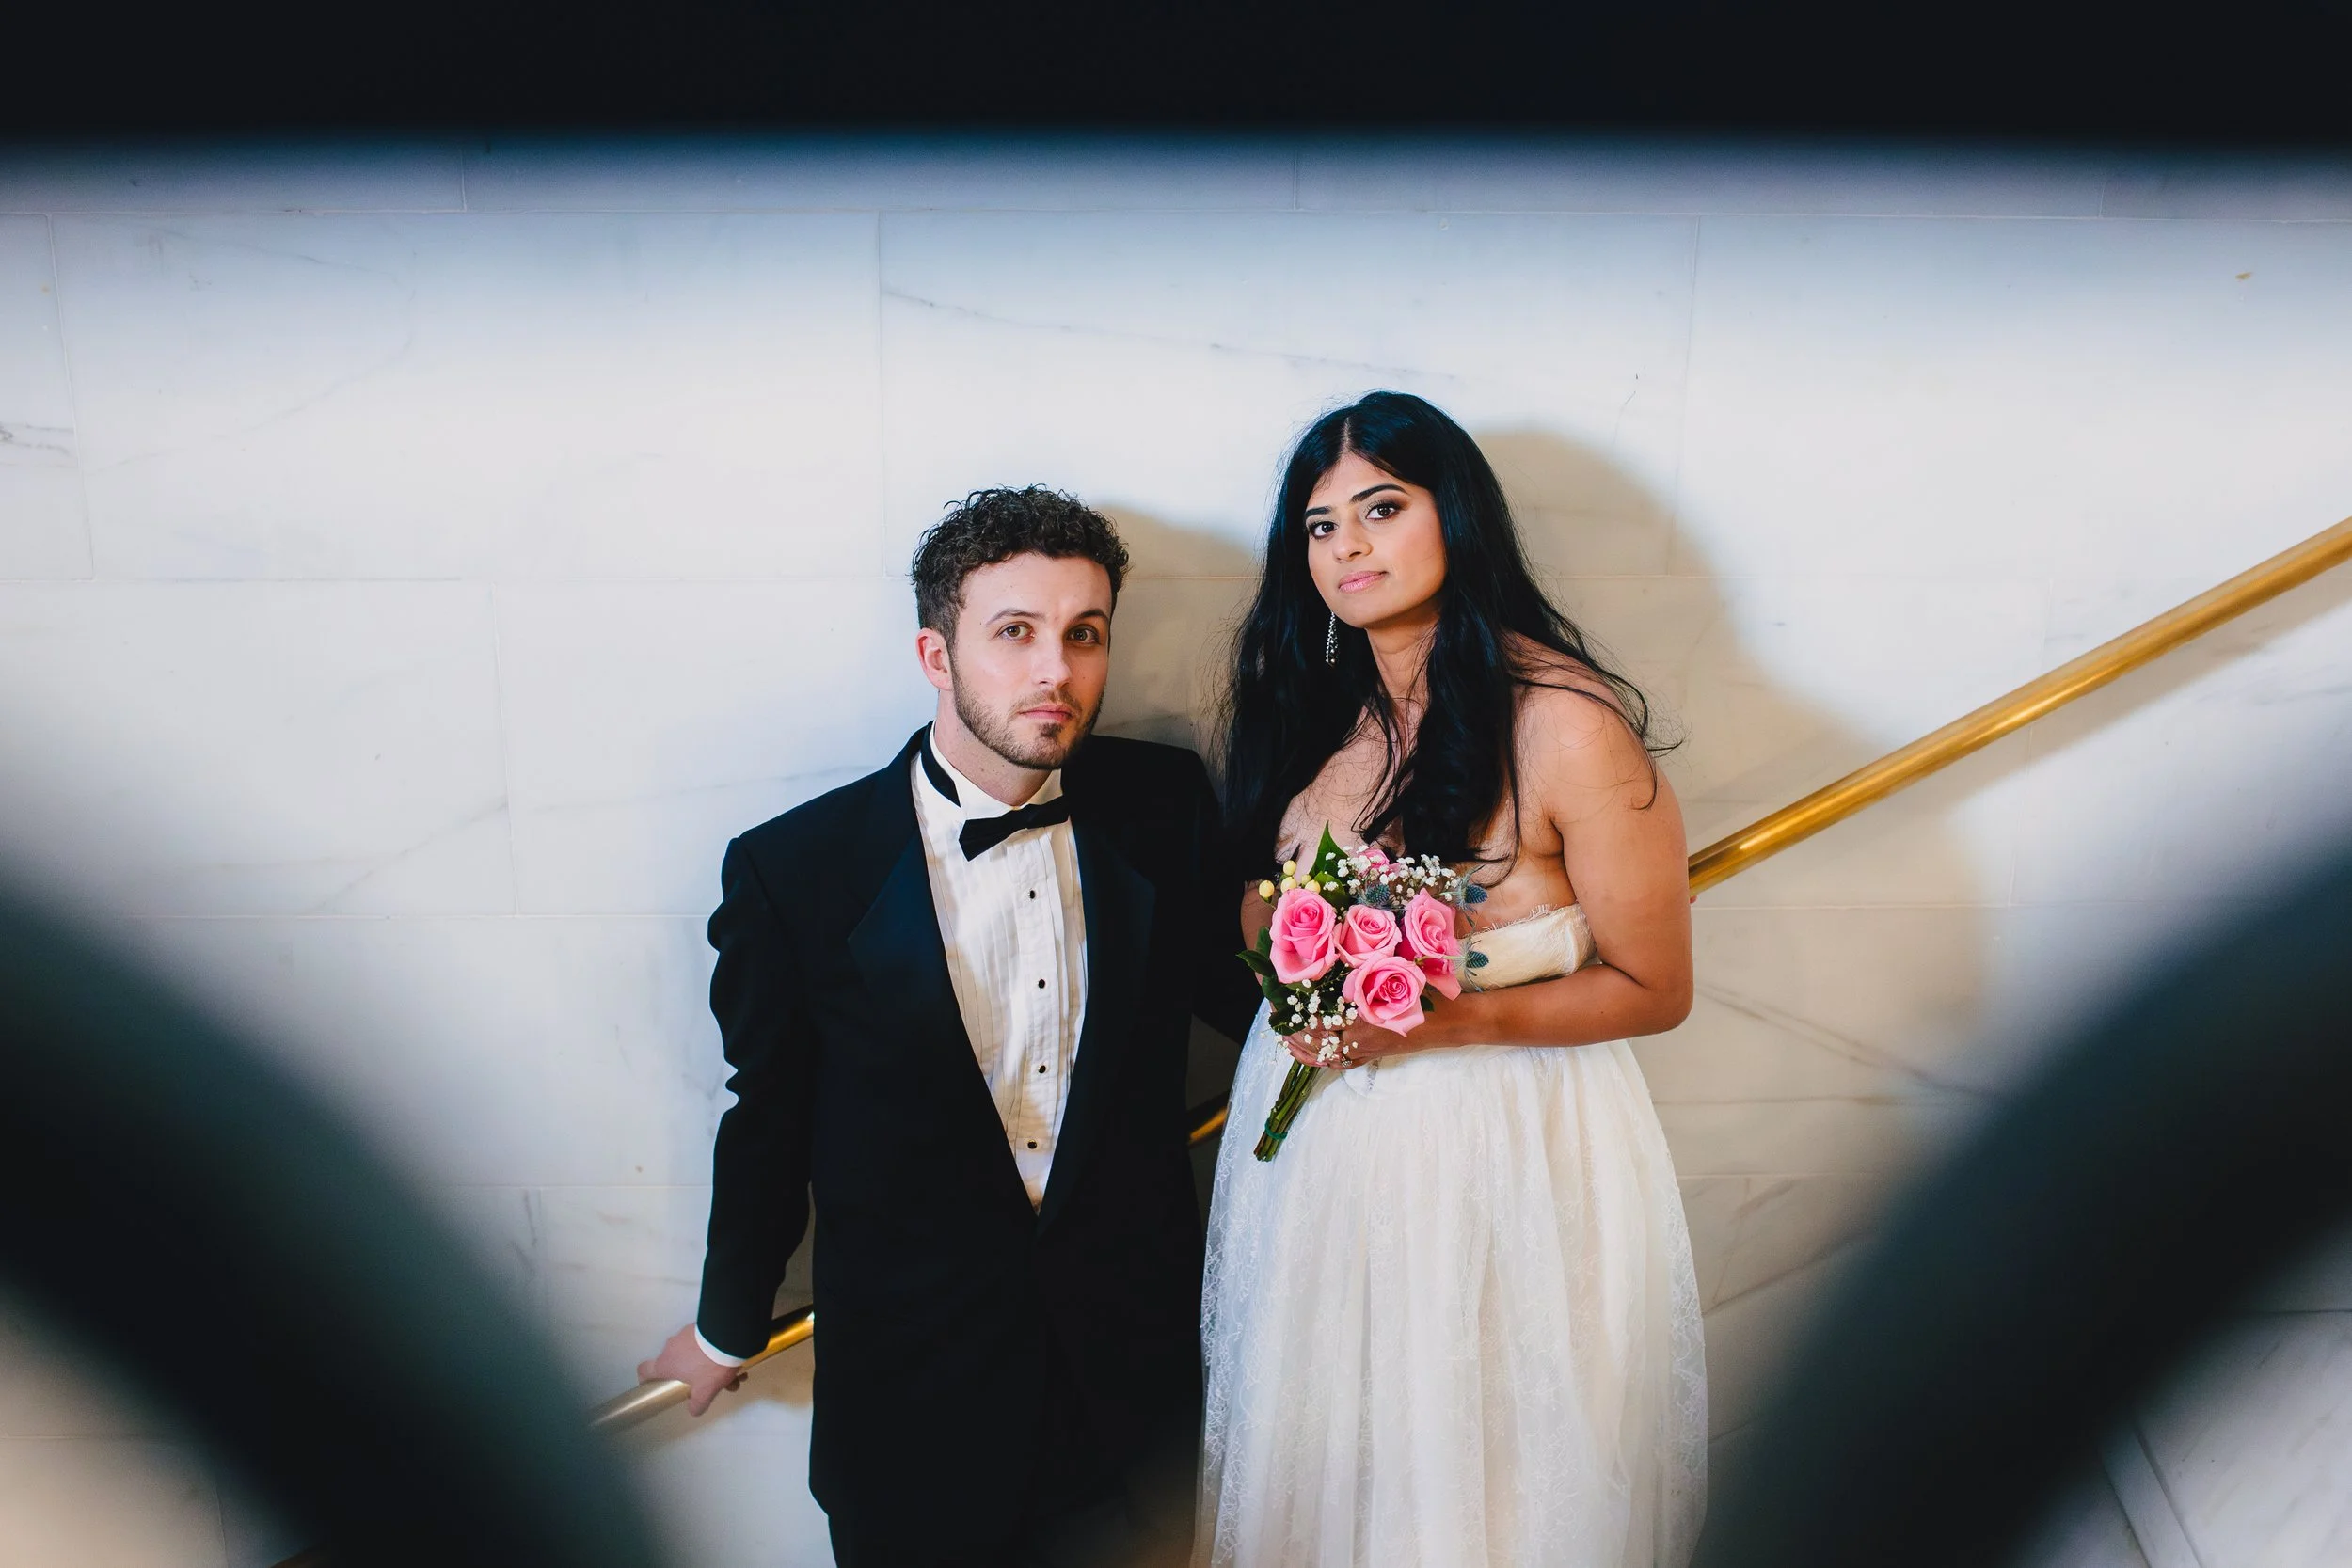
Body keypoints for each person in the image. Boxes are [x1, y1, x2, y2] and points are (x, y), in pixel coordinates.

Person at [640, 487, 1260, 1567]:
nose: (1055, 669)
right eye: (1014, 631)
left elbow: (1250, 1010)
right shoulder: (795, 870)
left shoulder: (1165, 806)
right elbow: (767, 1118)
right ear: (936, 653)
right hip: (912, 1414)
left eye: (1084, 633)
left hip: (1132, 1403)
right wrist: (725, 1322)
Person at [1200, 393, 1708, 1566]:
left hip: (1499, 1152)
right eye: (1320, 524)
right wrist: (1293, 943)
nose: (1348, 545)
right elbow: (1261, 893)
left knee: (1483, 1486)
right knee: (1335, 1473)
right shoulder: (1326, 713)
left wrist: (1436, 1024)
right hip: (1325, 1166)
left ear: (1457, 516)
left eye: (1382, 508)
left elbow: (1655, 983)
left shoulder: (1565, 722)